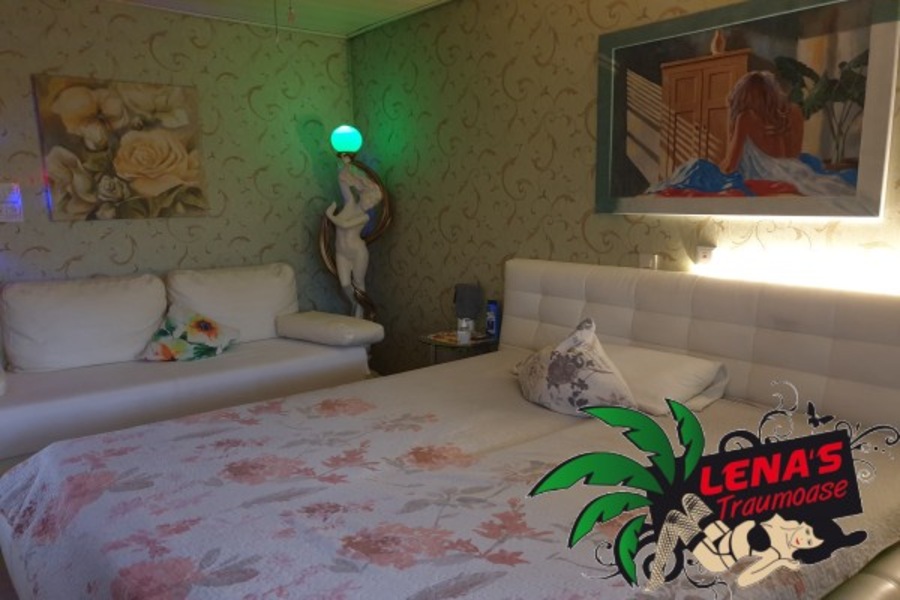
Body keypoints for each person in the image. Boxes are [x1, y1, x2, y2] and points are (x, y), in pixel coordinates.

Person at [646, 493, 866, 590]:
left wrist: (779, 561)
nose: (803, 538)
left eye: (808, 543)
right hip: (723, 535)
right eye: (809, 532)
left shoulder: (778, 552)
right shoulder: (785, 520)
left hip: (719, 556)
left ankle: (656, 573)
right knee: (689, 499)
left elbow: (744, 580)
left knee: (674, 518)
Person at [717, 70, 855, 196]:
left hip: (767, 176)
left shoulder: (746, 117)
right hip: (796, 170)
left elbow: (730, 166)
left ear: (742, 96)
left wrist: (731, 126)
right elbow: (794, 155)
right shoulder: (795, 112)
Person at [325, 158, 383, 318]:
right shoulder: (349, 203)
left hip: (358, 252)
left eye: (373, 203)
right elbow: (342, 181)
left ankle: (360, 315)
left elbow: (344, 224)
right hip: (341, 252)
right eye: (370, 199)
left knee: (358, 283)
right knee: (345, 284)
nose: (370, 204)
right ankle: (355, 303)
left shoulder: (365, 217)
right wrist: (345, 167)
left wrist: (330, 215)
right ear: (363, 194)